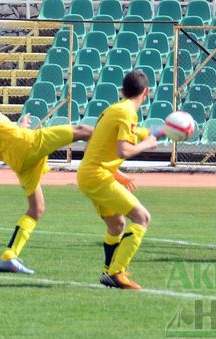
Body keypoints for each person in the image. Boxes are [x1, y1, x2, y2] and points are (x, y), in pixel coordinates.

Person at [0, 68, 94, 274]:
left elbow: (4, 134)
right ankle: (112, 159)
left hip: (20, 159)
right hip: (26, 146)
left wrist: (20, 126)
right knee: (85, 131)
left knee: (37, 209)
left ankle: (8, 257)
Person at [77, 70, 158, 289]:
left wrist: (116, 173)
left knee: (117, 225)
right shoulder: (127, 113)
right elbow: (123, 150)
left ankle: (107, 272)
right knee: (142, 217)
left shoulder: (113, 109)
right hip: (97, 176)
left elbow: (97, 143)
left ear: (122, 91)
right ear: (146, 92)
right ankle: (117, 272)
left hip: (90, 172)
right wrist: (147, 144)